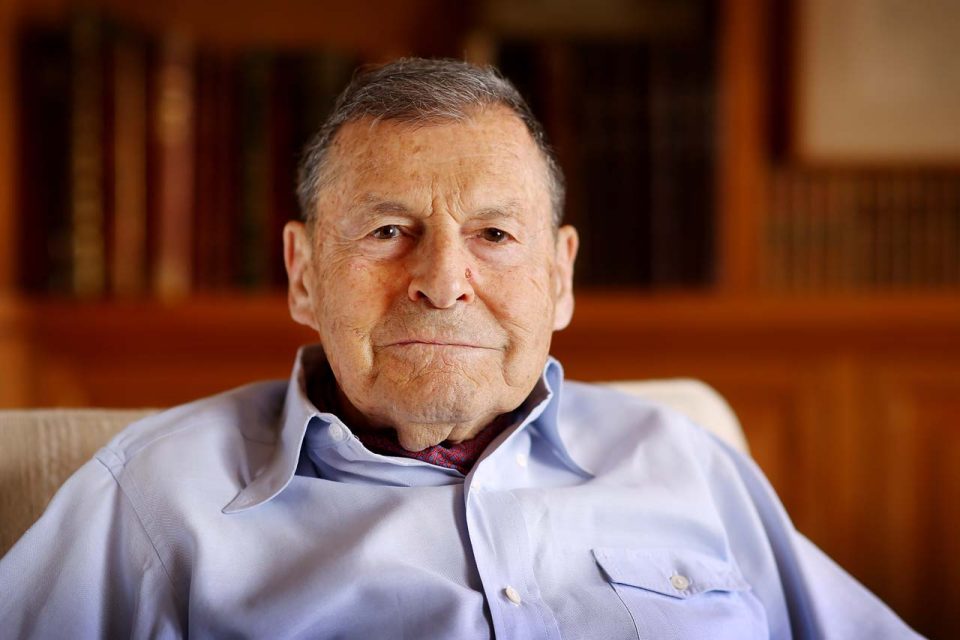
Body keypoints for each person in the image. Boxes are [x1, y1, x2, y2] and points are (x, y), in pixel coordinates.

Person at [0, 58, 920, 639]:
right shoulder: (150, 501)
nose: (441, 280)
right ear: (303, 271)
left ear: (559, 278)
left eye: (494, 235)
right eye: (389, 229)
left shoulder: (684, 460)